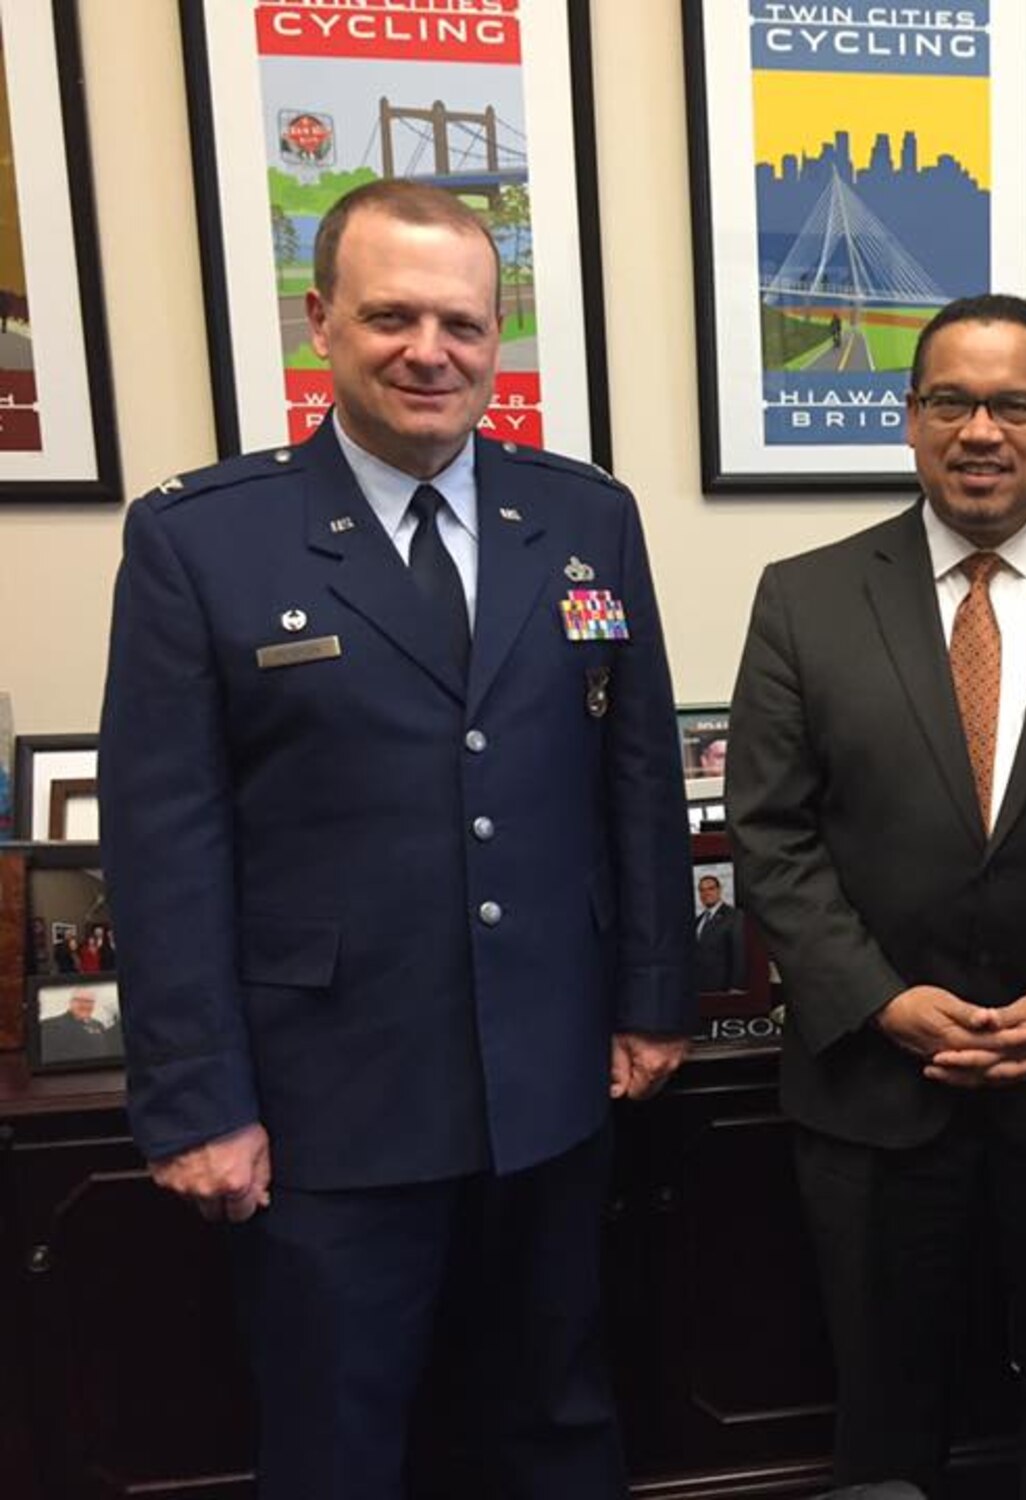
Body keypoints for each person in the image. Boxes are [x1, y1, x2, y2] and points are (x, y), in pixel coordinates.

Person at [99, 179, 697, 1499]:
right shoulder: (203, 540)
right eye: (392, 317)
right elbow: (164, 843)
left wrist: (655, 1001)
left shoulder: (584, 519)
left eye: (464, 323)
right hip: (326, 1108)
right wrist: (197, 1101)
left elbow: (638, 774)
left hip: (550, 1085)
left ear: (499, 339)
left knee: (559, 1418)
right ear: (321, 321)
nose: (431, 350)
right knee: (340, 1443)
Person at [727, 293, 1026, 1497]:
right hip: (873, 1094)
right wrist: (884, 1002)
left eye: (1011, 404)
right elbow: (769, 834)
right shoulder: (804, 599)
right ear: (908, 421)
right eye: (950, 400)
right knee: (886, 1415)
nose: (979, 430)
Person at [691, 872, 746, 993]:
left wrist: (736, 986)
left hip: (723, 988)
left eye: (711, 888)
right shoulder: (697, 920)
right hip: (699, 989)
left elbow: (739, 953)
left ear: (719, 890)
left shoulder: (735, 916)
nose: (706, 893)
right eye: (702, 890)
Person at [39, 988, 123, 1065]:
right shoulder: (49, 1025)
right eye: (80, 1001)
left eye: (89, 1001)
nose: (85, 1005)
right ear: (71, 1003)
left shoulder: (98, 1024)